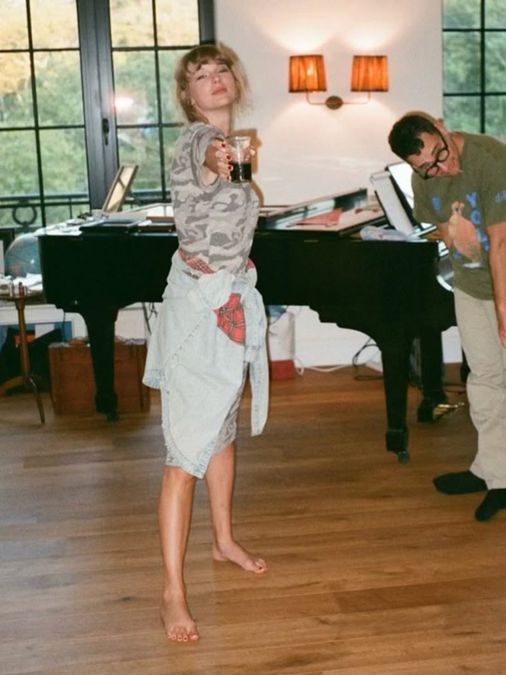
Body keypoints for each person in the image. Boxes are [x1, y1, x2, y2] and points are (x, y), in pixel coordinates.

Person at [143, 43, 269, 642]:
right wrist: (221, 158)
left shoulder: (233, 142)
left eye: (222, 71)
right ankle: (172, 593)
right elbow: (210, 162)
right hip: (200, 311)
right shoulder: (203, 142)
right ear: (187, 96)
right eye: (201, 76)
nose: (215, 80)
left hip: (225, 300)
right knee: (183, 457)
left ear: (235, 82)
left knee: (220, 430)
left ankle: (222, 541)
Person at [388, 112, 506, 522]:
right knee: (483, 380)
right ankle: (491, 471)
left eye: (440, 154)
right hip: (471, 284)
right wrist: (453, 234)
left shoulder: (493, 160)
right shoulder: (423, 178)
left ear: (442, 128)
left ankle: (499, 482)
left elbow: (501, 243)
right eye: (427, 167)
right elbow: (442, 227)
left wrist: (503, 311)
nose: (441, 168)